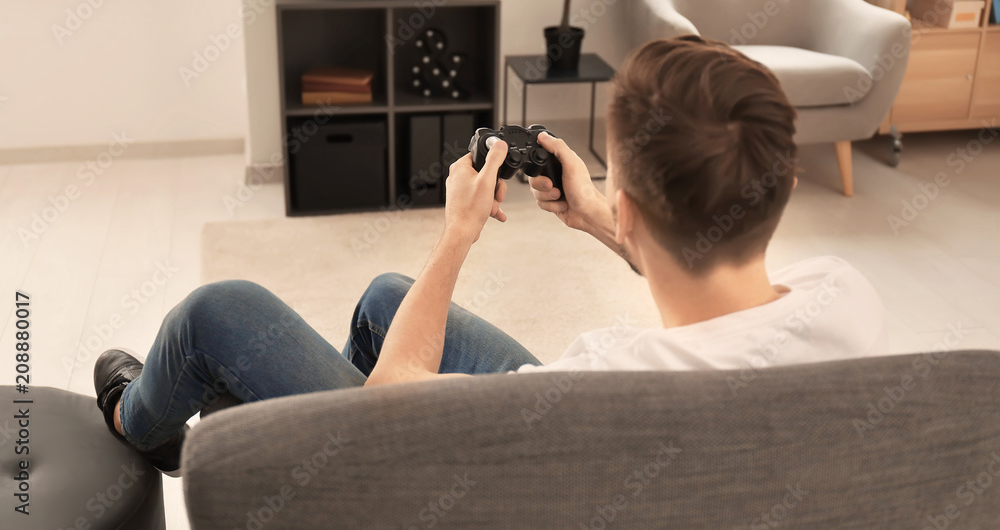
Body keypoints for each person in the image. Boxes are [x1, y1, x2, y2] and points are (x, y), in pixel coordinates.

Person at [94, 35, 887, 475]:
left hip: (477, 468)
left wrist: (457, 233)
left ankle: (143, 424)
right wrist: (607, 221)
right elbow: (714, 285)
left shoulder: (603, 377)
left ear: (637, 206)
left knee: (216, 312)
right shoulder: (843, 295)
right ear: (781, 182)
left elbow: (391, 401)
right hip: (598, 443)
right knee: (386, 298)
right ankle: (299, 429)